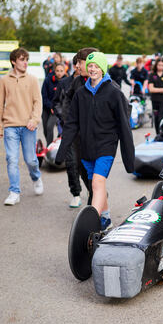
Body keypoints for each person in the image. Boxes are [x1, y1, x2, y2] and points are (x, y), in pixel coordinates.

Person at [55, 52, 135, 230]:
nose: (92, 69)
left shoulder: (114, 92)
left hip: (106, 146)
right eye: (90, 66)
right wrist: (61, 152)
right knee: (95, 185)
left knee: (98, 183)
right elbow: (72, 123)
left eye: (96, 66)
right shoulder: (81, 93)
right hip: (86, 147)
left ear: (102, 68)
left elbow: (124, 125)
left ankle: (92, 225)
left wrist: (129, 157)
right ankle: (106, 218)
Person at [0, 47, 44, 205]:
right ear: (13, 61)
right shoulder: (4, 81)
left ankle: (36, 177)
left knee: (30, 159)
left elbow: (38, 102)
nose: (25, 63)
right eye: (22, 60)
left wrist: (34, 119)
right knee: (11, 159)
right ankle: (14, 192)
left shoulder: (32, 80)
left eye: (27, 60)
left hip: (28, 126)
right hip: (10, 126)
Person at [61, 47, 98, 207]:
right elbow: (66, 102)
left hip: (97, 138)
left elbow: (122, 109)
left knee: (95, 173)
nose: (76, 66)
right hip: (78, 136)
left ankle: (96, 202)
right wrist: (70, 121)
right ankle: (93, 193)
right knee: (80, 167)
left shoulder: (106, 84)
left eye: (79, 63)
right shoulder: (77, 82)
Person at [53, 55, 82, 208]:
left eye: (81, 63)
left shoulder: (91, 83)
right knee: (71, 163)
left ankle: (95, 192)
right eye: (76, 64)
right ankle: (76, 193)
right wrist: (63, 117)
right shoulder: (64, 83)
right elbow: (56, 102)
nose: (78, 66)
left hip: (86, 132)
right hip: (69, 130)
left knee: (84, 165)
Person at [41, 61, 66, 146]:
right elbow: (44, 96)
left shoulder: (66, 82)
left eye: (61, 71)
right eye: (57, 71)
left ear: (65, 71)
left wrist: (55, 108)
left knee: (49, 126)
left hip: (57, 109)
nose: (59, 73)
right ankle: (49, 142)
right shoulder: (48, 80)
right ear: (54, 71)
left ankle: (49, 146)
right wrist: (49, 106)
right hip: (46, 107)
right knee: (45, 129)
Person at [148, 57, 163, 134]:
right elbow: (151, 89)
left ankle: (162, 134)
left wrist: (157, 89)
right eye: (159, 65)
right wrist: (162, 90)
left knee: (161, 118)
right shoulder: (152, 75)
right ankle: (157, 134)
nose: (160, 67)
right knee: (156, 118)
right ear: (156, 65)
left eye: (162, 65)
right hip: (154, 100)